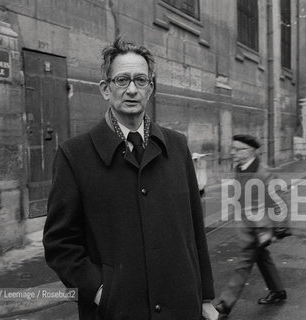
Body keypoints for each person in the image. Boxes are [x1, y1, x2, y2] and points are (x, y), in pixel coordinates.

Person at [43, 37, 218, 320]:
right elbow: (60, 244)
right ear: (105, 89)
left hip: (181, 306)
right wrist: (101, 290)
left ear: (151, 88)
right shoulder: (74, 156)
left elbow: (195, 230)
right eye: (122, 80)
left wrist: (205, 296)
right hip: (118, 311)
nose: (132, 90)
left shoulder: (176, 146)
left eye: (141, 80)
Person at [215, 134, 290, 319]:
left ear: (251, 151)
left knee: (244, 263)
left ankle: (225, 304)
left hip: (260, 229)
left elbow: (279, 201)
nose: (233, 153)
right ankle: (278, 291)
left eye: (239, 149)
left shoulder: (265, 173)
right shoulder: (240, 167)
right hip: (246, 225)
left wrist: (279, 227)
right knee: (262, 258)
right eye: (233, 149)